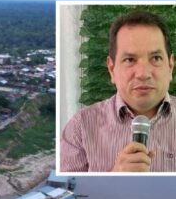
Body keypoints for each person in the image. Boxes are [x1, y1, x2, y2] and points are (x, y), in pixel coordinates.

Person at [60, 10, 175, 172]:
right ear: (112, 69)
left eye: (155, 58)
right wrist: (113, 179)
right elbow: (69, 195)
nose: (143, 73)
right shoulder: (81, 128)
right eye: (129, 60)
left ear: (170, 66)